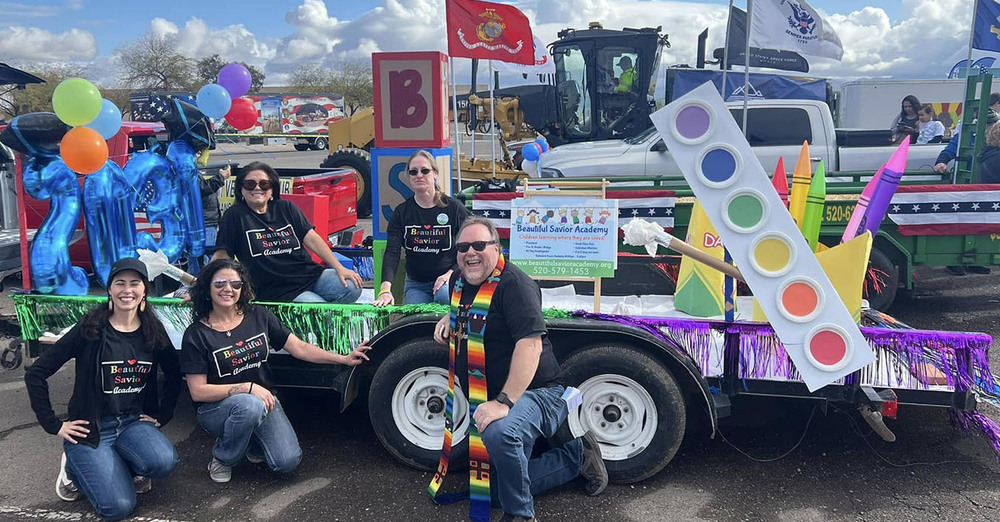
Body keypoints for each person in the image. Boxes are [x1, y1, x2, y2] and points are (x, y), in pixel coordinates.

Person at [432, 217, 608, 522]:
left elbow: (530, 346)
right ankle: (576, 455)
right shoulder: (459, 282)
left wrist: (503, 402)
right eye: (463, 247)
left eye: (479, 245)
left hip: (538, 392)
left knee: (501, 432)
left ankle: (521, 514)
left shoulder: (515, 285)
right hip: (494, 394)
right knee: (493, 493)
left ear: (496, 248)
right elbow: (473, 310)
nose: (470, 252)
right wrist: (452, 317)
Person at [180, 259, 371, 483]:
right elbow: (198, 392)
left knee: (286, 461)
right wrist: (247, 388)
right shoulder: (196, 334)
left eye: (235, 284)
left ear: (243, 288)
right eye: (220, 283)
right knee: (249, 405)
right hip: (216, 409)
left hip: (263, 401)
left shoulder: (258, 315)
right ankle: (224, 457)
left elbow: (300, 348)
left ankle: (251, 441)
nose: (228, 289)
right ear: (207, 287)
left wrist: (343, 358)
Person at [24, 258, 181, 521]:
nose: (127, 290)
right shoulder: (91, 330)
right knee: (118, 507)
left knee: (163, 461)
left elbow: (175, 374)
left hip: (133, 422)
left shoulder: (153, 331)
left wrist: (162, 415)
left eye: (135, 283)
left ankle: (125, 464)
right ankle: (73, 471)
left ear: (145, 290)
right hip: (92, 429)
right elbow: (36, 373)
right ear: (109, 289)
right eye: (120, 283)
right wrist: (54, 424)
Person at [212, 161, 362, 303]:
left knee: (352, 286)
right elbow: (223, 254)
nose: (257, 188)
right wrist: (205, 282)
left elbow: (312, 239)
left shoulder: (286, 207)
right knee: (317, 308)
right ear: (241, 189)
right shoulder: (234, 216)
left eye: (264, 184)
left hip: (309, 275)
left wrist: (339, 268)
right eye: (250, 184)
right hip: (278, 290)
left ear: (272, 189)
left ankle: (313, 319)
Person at [373, 150, 470, 307]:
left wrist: (452, 273)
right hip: (416, 283)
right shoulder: (401, 212)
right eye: (413, 172)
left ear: (435, 173)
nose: (419, 175)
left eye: (425, 171)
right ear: (408, 177)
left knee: (444, 296)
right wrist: (385, 290)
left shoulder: (453, 208)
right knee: (414, 313)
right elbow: (392, 252)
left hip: (449, 278)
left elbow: (469, 245)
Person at [934, 92, 1000, 174]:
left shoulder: (997, 136)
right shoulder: (966, 135)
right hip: (969, 178)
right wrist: (941, 162)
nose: (990, 126)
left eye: (993, 123)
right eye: (988, 123)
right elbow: (949, 151)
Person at [201, 163, 232, 256]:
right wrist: (220, 178)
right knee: (207, 255)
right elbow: (202, 189)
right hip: (205, 222)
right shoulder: (185, 169)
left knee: (207, 254)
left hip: (207, 220)